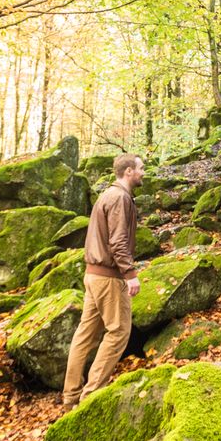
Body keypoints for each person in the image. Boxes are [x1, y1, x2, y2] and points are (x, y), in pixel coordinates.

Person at [60, 152, 144, 411]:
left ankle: (70, 396)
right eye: (141, 168)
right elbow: (118, 241)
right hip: (107, 277)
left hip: (92, 275)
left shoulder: (106, 195)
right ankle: (90, 395)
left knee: (85, 334)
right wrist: (129, 275)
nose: (143, 172)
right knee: (118, 331)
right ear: (128, 171)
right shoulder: (119, 198)